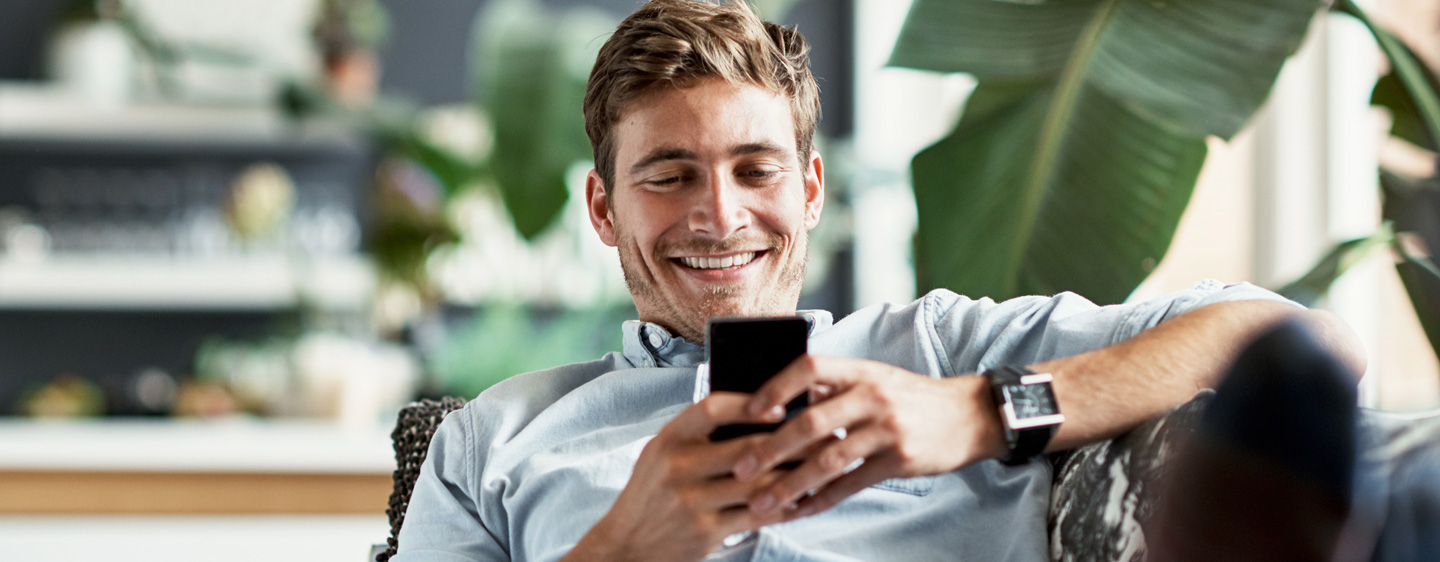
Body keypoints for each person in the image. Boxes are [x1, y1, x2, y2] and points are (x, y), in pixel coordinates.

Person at [391, 1, 1365, 561]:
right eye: (670, 174)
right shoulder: (495, 441)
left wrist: (983, 413)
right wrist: (622, 550)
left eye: (755, 169)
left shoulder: (943, 353)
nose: (721, 215)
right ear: (605, 210)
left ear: (810, 190)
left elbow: (1291, 338)